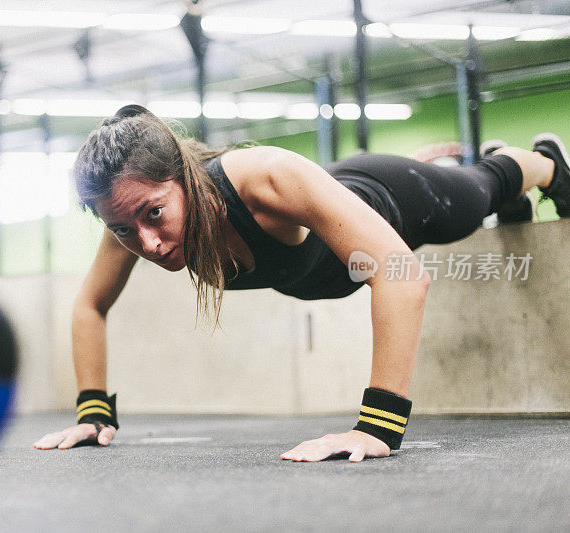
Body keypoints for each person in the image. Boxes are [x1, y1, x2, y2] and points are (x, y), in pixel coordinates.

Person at [33, 104, 570, 462]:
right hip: (330, 234)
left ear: (183, 177)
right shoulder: (128, 218)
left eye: (154, 214)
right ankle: (515, 197)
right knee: (483, 200)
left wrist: (377, 427)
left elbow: (402, 275)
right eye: (123, 228)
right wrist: (93, 413)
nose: (146, 244)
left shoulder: (265, 177)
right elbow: (90, 306)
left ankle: (541, 164)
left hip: (392, 199)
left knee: (474, 193)